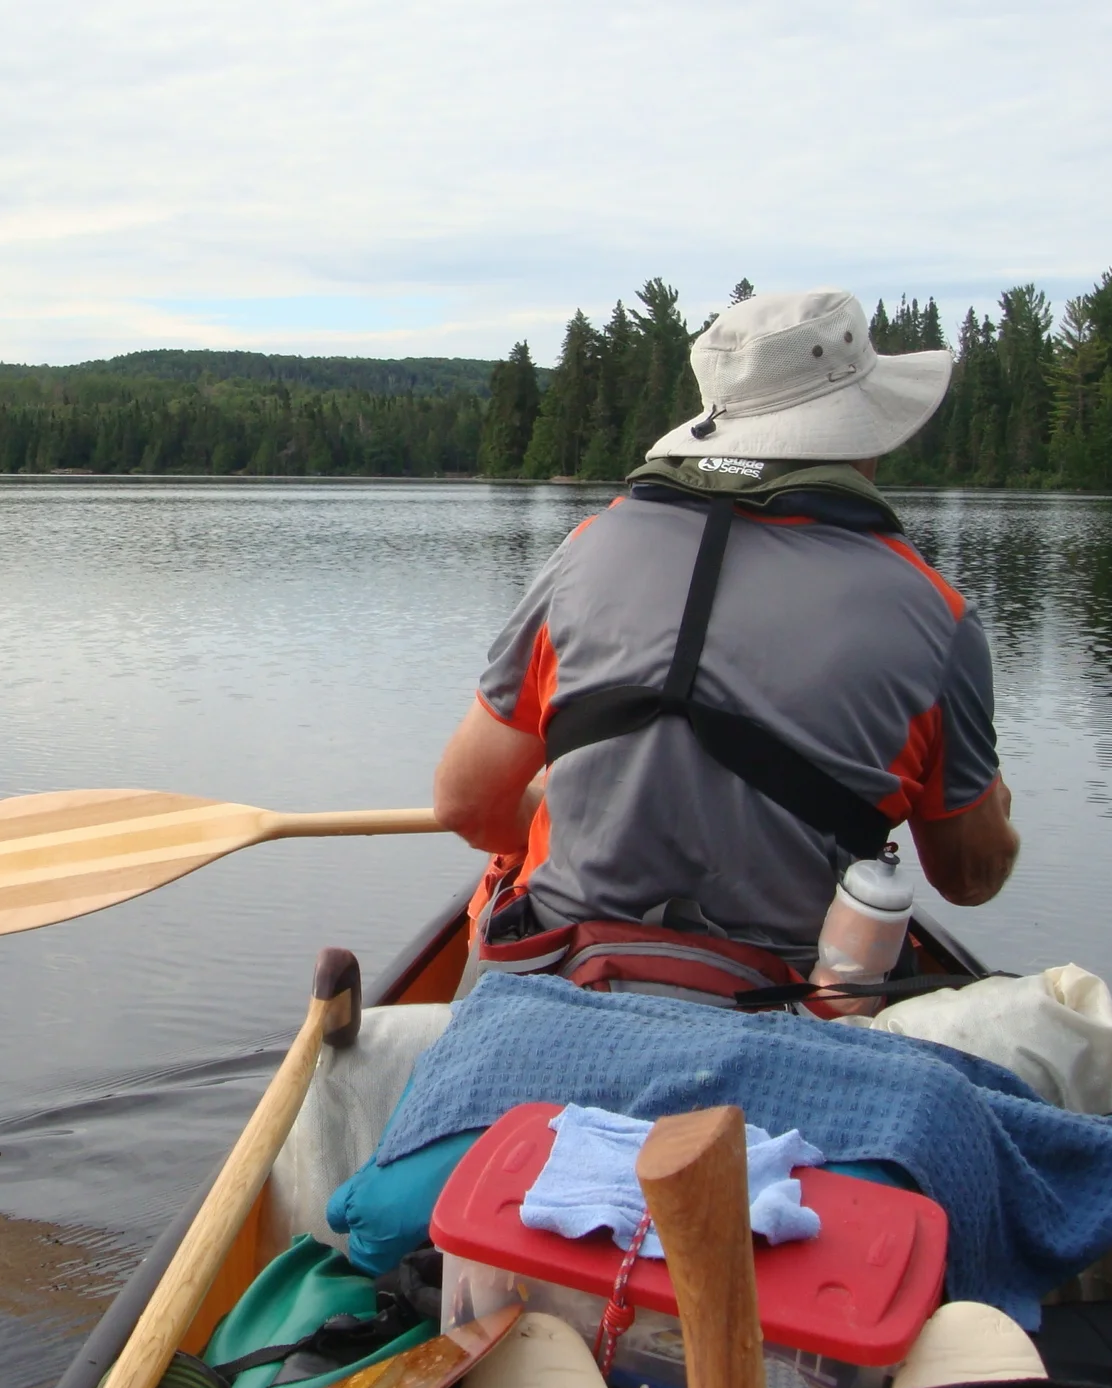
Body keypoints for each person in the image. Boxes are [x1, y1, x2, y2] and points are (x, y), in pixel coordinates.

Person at [434, 288, 1018, 999]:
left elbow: (464, 804)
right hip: (791, 1004)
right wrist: (996, 814)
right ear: (864, 432)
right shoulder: (936, 614)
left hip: (564, 978)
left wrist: (555, 805)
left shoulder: (588, 549)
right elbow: (969, 878)